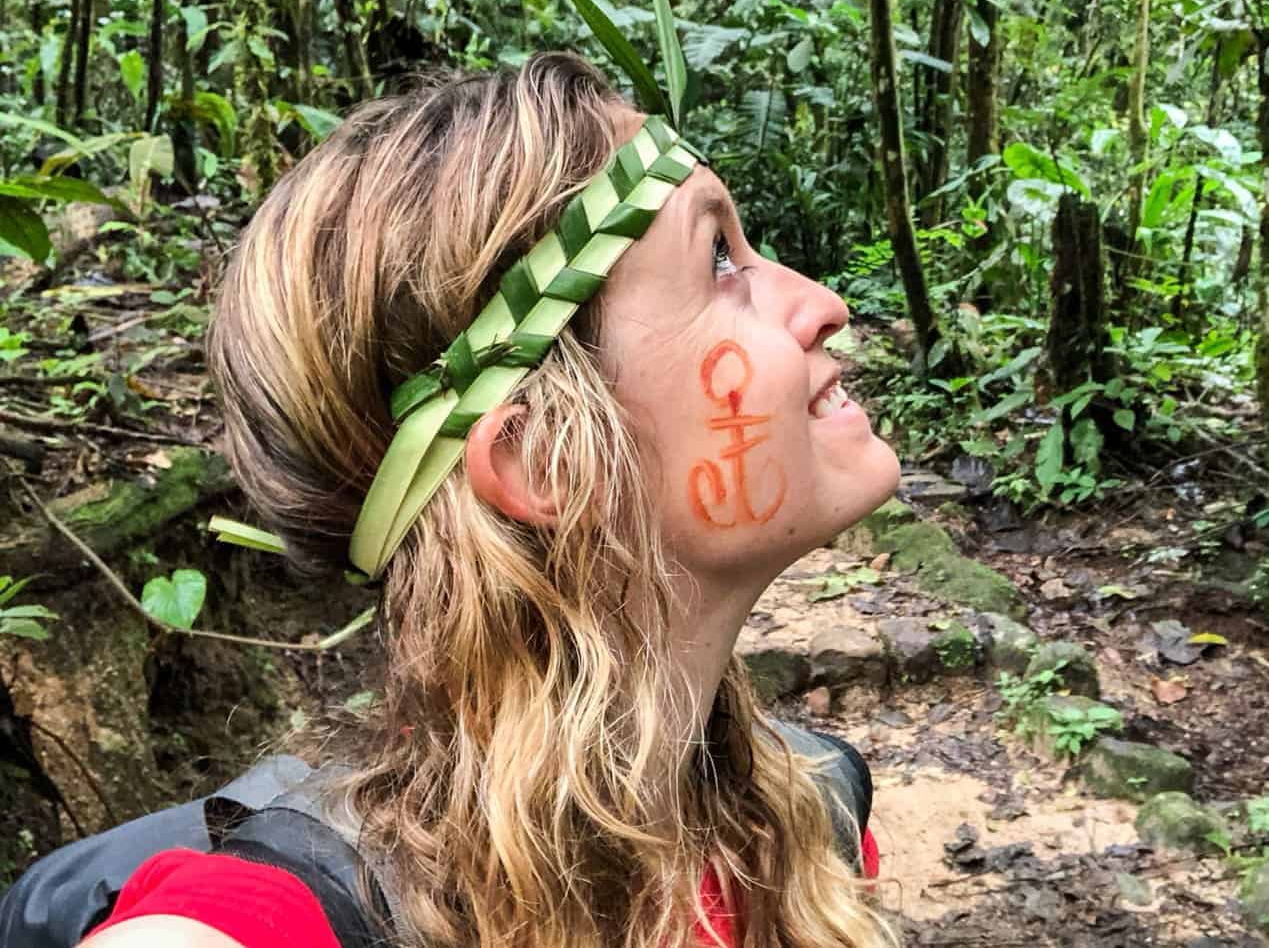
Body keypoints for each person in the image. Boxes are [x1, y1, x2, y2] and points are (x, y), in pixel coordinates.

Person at [74, 53, 903, 948]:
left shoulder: (809, 822)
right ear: (543, 456)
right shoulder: (279, 920)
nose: (823, 303)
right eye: (717, 259)